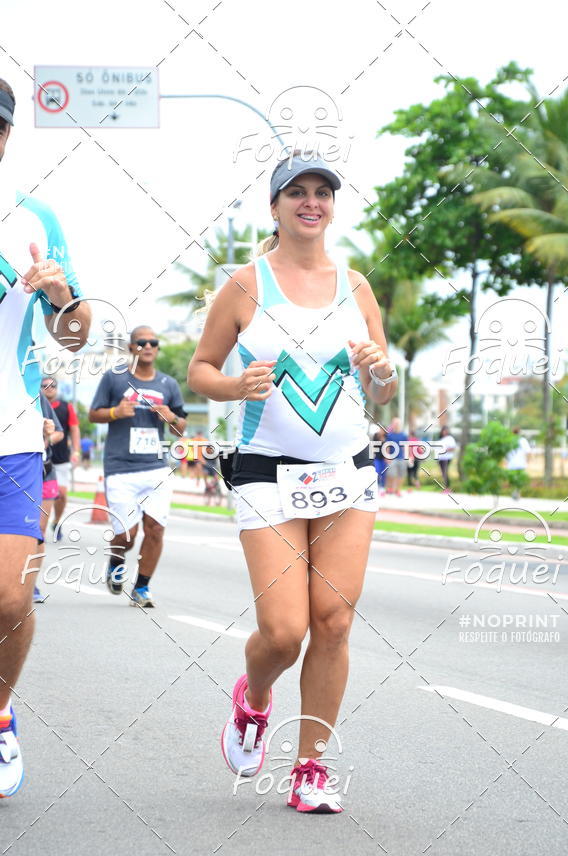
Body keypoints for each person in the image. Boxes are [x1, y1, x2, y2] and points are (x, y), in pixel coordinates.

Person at [188, 153, 397, 812]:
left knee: (332, 623)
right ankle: (252, 703)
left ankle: (310, 768)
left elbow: (381, 389)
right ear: (274, 207)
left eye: (322, 193)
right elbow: (200, 369)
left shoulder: (357, 286)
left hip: (348, 472)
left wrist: (381, 369)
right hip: (266, 474)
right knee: (284, 631)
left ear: (333, 206)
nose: (312, 203)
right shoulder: (246, 286)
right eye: (297, 193)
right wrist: (233, 385)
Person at [0, 78, 90, 797]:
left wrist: (61, 297)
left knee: (9, 601)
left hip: (12, 435)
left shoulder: (34, 218)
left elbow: (77, 332)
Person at [89, 326, 187, 608]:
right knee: (126, 535)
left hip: (155, 467)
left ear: (157, 348)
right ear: (131, 347)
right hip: (120, 468)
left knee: (155, 529)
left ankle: (142, 587)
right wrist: (114, 412)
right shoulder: (115, 378)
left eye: (153, 343)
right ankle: (116, 560)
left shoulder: (168, 384)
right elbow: (94, 414)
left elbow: (181, 428)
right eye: (141, 342)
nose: (148, 346)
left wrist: (171, 417)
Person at [40, 377, 81, 540]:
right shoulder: (37, 405)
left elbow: (74, 429)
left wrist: (76, 451)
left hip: (61, 457)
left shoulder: (66, 407)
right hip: (41, 459)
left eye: (52, 386)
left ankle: (56, 521)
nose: (49, 388)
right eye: (45, 386)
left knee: (62, 493)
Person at [34, 394, 64, 603]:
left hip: (44, 471)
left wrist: (46, 438)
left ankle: (30, 583)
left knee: (38, 532)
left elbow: (58, 432)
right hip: (11, 471)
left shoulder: (36, 395)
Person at [506, 426, 531, 499]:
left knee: (513, 480)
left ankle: (514, 492)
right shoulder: (523, 440)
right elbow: (528, 452)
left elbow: (505, 453)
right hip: (521, 464)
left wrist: (506, 461)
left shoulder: (509, 440)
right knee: (520, 480)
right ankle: (518, 493)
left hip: (511, 464)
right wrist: (528, 461)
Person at [384, 417, 408, 495]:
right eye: (394, 423)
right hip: (392, 458)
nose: (396, 425)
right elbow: (387, 446)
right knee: (391, 474)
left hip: (401, 458)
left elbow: (406, 447)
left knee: (401, 475)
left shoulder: (404, 435)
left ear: (400, 424)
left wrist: (407, 457)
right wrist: (387, 456)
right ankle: (390, 488)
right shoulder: (389, 435)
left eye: (397, 423)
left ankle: (397, 490)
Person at [437, 424, 456, 491]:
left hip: (447, 458)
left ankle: (448, 488)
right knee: (443, 473)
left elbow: (453, 448)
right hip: (440, 458)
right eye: (443, 430)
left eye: (446, 430)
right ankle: (445, 488)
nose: (444, 432)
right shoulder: (441, 439)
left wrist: (445, 450)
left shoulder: (450, 438)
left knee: (445, 472)